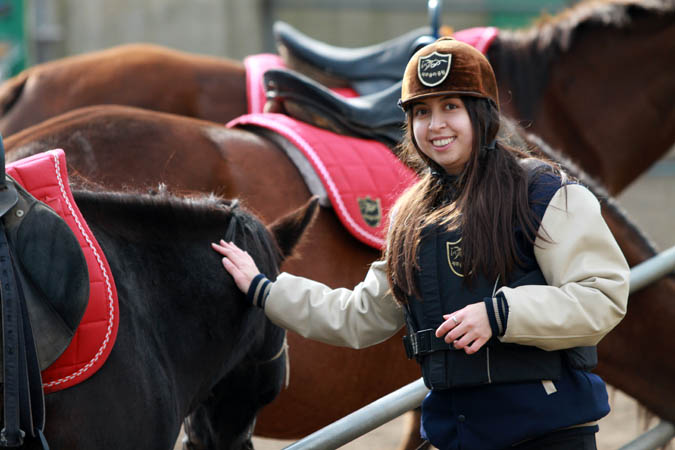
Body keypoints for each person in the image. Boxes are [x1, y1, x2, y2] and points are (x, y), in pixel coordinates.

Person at [211, 37, 629, 450]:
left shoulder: (543, 192)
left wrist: (500, 315)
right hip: (456, 437)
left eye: (451, 106)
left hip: (547, 436)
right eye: (422, 112)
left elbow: (602, 297)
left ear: (482, 113)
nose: (436, 125)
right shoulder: (411, 216)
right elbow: (359, 316)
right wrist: (265, 289)